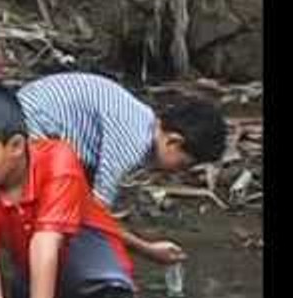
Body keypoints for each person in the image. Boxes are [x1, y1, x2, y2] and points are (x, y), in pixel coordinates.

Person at [0, 86, 134, 298]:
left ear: (16, 146)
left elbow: (45, 245)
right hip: (39, 285)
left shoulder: (57, 160)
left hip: (99, 291)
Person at [16, 72, 227, 265]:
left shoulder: (141, 119)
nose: (179, 173)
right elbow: (94, 218)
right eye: (183, 164)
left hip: (34, 119)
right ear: (173, 141)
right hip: (26, 130)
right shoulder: (131, 143)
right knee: (70, 222)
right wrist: (147, 249)